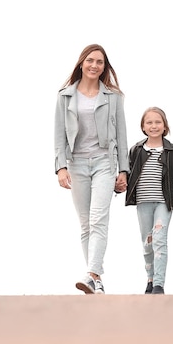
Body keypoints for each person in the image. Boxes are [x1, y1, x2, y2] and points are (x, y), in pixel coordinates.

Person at [54, 44, 129, 295]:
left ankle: (92, 274)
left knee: (99, 219)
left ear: (104, 67)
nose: (94, 65)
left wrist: (123, 170)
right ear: (81, 63)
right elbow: (59, 135)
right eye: (90, 61)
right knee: (86, 224)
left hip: (104, 163)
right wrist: (60, 167)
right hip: (76, 163)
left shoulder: (113, 97)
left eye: (99, 62)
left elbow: (121, 134)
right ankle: (95, 280)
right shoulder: (65, 95)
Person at [125, 107, 173, 295]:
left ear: (164, 126)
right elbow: (128, 175)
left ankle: (159, 285)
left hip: (164, 202)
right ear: (143, 127)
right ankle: (150, 278)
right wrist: (118, 185)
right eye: (149, 122)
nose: (154, 126)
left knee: (159, 240)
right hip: (143, 202)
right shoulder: (136, 150)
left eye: (158, 122)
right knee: (147, 243)